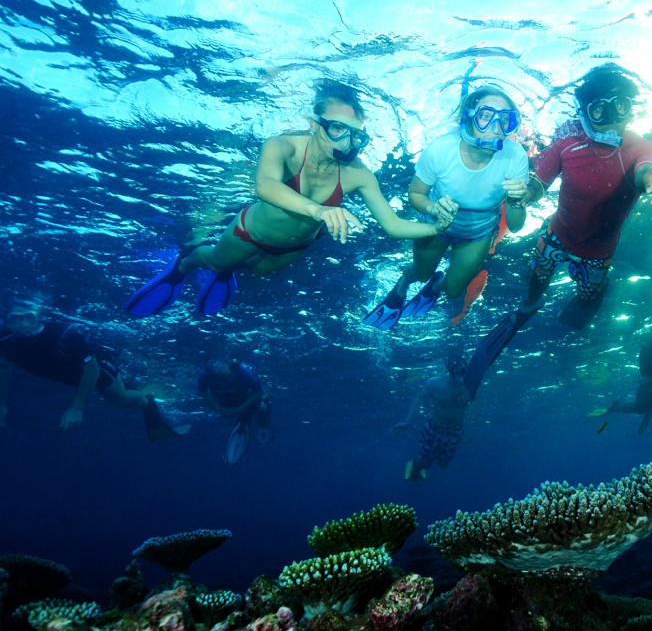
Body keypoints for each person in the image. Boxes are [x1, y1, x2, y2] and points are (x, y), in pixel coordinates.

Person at [123, 80, 455, 317]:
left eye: (356, 134)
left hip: (293, 247)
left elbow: (394, 225)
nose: (347, 142)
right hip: (250, 232)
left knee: (262, 271)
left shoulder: (359, 173)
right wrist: (319, 210)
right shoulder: (281, 145)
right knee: (216, 262)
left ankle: (228, 275)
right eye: (338, 129)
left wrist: (437, 227)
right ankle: (183, 266)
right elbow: (264, 186)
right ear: (315, 124)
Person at [464, 63, 652, 384]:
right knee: (536, 275)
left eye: (620, 108)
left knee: (589, 295)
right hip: (558, 233)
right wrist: (523, 194)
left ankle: (589, 305)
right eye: (598, 111)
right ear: (583, 112)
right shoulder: (567, 141)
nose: (613, 120)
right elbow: (539, 184)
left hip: (598, 250)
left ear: (630, 109)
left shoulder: (642, 148)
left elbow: (645, 168)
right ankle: (533, 303)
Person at [362, 85, 529, 330]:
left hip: (477, 235)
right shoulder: (441, 149)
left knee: (453, 291)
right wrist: (432, 208)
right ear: (469, 118)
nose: (495, 127)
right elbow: (416, 194)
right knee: (419, 273)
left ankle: (436, 286)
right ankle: (402, 285)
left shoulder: (515, 157)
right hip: (435, 227)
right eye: (486, 116)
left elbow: (515, 226)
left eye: (505, 119)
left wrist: (516, 201)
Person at [0, 299, 190, 440]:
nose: (23, 325)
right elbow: (4, 367)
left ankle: (147, 403)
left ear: (39, 318)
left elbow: (91, 369)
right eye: (15, 319)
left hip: (95, 367)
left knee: (120, 399)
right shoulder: (4, 341)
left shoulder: (63, 335)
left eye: (29, 318)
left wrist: (77, 407)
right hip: (68, 374)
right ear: (6, 321)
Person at [590, 328, 652, 433]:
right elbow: (647, 379)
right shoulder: (648, 350)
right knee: (639, 408)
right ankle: (615, 408)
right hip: (650, 387)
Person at [390, 354, 472, 480]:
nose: (461, 379)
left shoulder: (469, 387)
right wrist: (407, 422)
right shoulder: (435, 383)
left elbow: (474, 408)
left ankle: (425, 463)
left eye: (463, 374)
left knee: (443, 464)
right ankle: (415, 467)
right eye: (457, 375)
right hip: (435, 428)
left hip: (455, 430)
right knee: (425, 462)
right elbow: (418, 398)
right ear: (450, 372)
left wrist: (471, 431)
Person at [198, 358, 270, 464]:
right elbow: (202, 391)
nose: (222, 379)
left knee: (258, 408)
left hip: (244, 398)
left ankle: (261, 415)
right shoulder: (206, 375)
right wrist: (219, 408)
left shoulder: (244, 373)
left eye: (225, 377)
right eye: (218, 377)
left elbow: (258, 392)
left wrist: (239, 409)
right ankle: (243, 418)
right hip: (225, 400)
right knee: (230, 414)